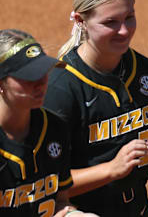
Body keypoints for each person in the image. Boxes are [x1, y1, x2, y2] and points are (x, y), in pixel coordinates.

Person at [44, 0, 148, 217]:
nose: (124, 31)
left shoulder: (142, 69)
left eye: (129, 17)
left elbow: (136, 160)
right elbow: (43, 183)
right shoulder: (61, 87)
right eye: (110, 22)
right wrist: (111, 169)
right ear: (80, 21)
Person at [0, 29, 99, 217]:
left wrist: (73, 215)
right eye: (27, 76)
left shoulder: (54, 128)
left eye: (43, 71)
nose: (40, 83)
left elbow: (60, 200)